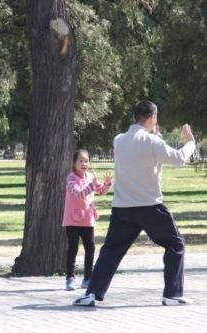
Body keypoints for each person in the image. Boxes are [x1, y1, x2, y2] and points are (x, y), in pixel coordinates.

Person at [74, 100, 196, 306]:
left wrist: (154, 136)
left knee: (111, 250)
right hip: (149, 206)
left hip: (123, 207)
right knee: (176, 244)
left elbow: (139, 149)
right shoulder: (152, 142)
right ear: (152, 118)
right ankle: (172, 294)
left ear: (134, 117)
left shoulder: (119, 140)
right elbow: (178, 158)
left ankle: (92, 294)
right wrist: (190, 142)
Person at [63, 149, 112, 291]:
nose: (84, 163)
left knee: (90, 248)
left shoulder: (91, 176)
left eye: (86, 161)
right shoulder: (71, 178)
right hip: (72, 220)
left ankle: (87, 278)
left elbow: (100, 191)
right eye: (81, 161)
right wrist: (93, 185)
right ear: (74, 163)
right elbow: (78, 194)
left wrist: (107, 184)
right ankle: (70, 278)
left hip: (88, 219)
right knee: (73, 248)